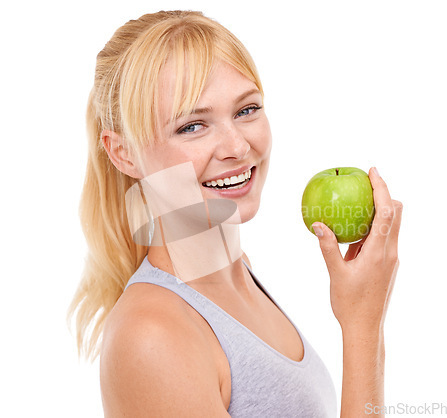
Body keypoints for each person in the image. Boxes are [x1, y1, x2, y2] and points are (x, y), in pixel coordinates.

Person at [67, 10, 403, 417]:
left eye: (246, 110)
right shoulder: (152, 336)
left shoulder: (238, 272)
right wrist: (363, 326)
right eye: (192, 126)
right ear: (123, 154)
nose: (237, 147)